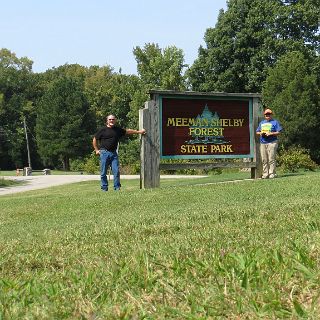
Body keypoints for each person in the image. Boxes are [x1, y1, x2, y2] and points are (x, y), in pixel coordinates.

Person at [93, 115, 146, 191]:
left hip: (114, 154)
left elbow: (128, 131)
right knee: (103, 172)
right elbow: (95, 139)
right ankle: (104, 188)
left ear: (115, 120)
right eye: (110, 119)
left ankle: (117, 188)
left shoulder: (117, 130)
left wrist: (139, 132)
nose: (111, 121)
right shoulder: (103, 130)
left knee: (116, 171)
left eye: (113, 119)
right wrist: (96, 150)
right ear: (107, 121)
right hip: (104, 153)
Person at [256, 108, 283, 179]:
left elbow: (279, 132)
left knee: (271, 158)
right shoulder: (262, 123)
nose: (267, 115)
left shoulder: (275, 122)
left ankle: (272, 173)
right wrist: (261, 132)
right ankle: (265, 174)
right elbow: (257, 132)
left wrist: (271, 133)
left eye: (269, 114)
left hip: (272, 142)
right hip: (263, 143)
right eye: (266, 114)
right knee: (264, 159)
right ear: (264, 115)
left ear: (271, 115)